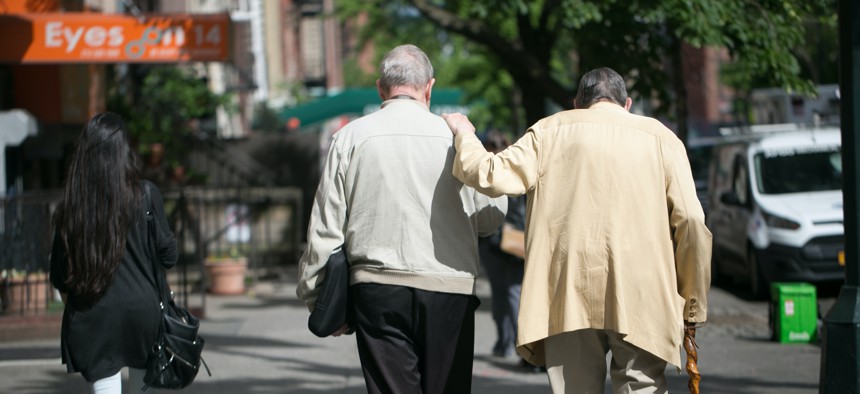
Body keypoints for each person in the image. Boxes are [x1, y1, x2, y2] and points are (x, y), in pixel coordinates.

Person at [442, 67, 712, 393]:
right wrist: (692, 303)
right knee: (642, 388)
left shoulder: (549, 131)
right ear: (625, 104)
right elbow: (692, 223)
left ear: (576, 103)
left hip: (568, 289)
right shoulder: (662, 138)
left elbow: (488, 173)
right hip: (643, 291)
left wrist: (464, 134)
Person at [296, 44, 507, 394]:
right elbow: (489, 218)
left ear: (381, 88)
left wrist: (316, 296)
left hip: (376, 286)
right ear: (429, 87)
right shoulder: (457, 140)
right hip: (448, 288)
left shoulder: (349, 137)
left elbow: (325, 227)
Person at [50, 112, 178, 394]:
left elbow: (61, 278)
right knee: (144, 384)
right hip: (142, 311)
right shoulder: (145, 195)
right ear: (124, 152)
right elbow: (169, 257)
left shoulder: (71, 207)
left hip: (93, 314)